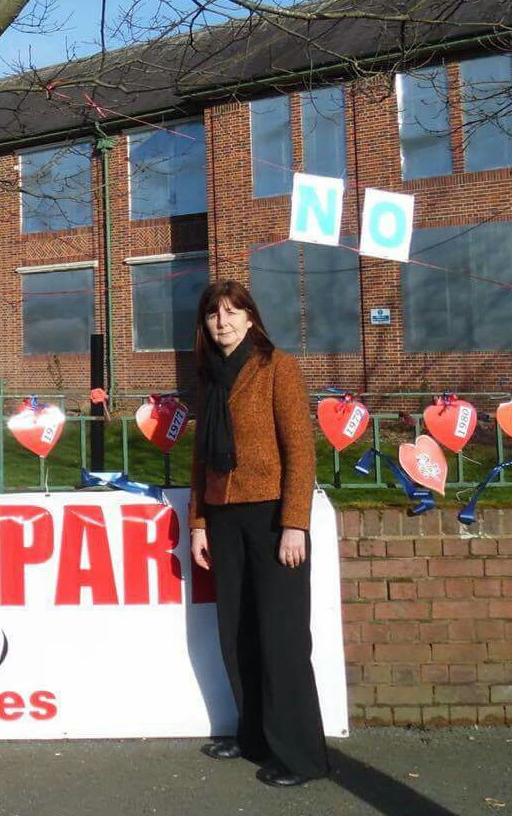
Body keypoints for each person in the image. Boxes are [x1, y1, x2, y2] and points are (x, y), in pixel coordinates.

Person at [187, 278, 330, 788]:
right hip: (225, 517)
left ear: (250, 318)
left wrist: (295, 523)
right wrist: (199, 522)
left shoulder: (278, 368)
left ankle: (302, 754)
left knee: (282, 637)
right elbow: (202, 458)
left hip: (271, 518)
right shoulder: (210, 378)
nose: (221, 322)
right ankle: (254, 737)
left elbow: (301, 450)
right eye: (212, 315)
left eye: (231, 312)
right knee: (238, 632)